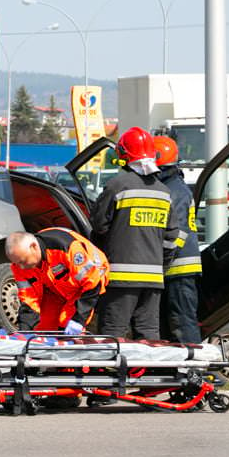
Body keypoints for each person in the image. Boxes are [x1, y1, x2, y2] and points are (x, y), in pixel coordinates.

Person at [90, 127, 178, 341]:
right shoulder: (164, 193)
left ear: (123, 155)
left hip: (120, 278)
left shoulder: (117, 185)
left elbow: (99, 225)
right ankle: (149, 374)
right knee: (148, 334)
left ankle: (113, 374)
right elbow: (171, 238)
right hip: (154, 279)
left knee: (113, 333)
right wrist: (161, 268)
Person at [6, 228, 108, 335]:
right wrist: (24, 331)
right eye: (17, 263)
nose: (21, 267)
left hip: (91, 280)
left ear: (34, 247)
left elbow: (92, 284)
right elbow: (28, 300)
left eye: (23, 261)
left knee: (66, 325)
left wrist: (78, 320)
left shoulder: (65, 248)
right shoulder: (19, 265)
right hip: (58, 288)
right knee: (43, 328)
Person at [152, 135, 203, 344]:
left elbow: (177, 234)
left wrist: (161, 263)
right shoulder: (173, 186)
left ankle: (194, 368)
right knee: (172, 320)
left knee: (182, 321)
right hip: (175, 266)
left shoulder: (174, 190)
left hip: (179, 267)